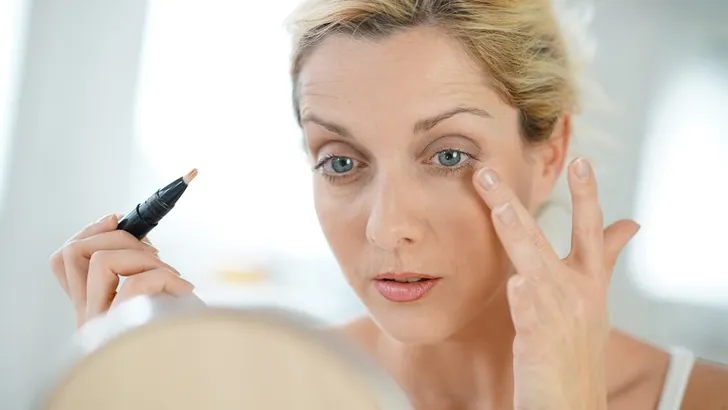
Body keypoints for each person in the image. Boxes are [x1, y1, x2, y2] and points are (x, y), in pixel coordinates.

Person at [49, 0, 728, 408]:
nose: (387, 227)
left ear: (550, 152)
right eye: (342, 162)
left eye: (449, 155)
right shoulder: (269, 395)